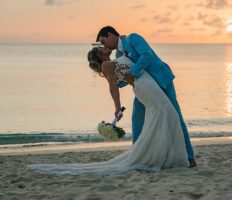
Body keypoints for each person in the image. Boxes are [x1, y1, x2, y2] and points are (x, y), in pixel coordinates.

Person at [27, 47, 189, 175]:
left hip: (145, 86)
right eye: (101, 48)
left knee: (164, 114)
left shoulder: (115, 60)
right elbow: (113, 87)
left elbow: (125, 74)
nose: (104, 47)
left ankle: (163, 155)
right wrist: (117, 108)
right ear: (100, 55)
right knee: (164, 113)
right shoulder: (106, 65)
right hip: (144, 88)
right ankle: (160, 156)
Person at [96, 26, 196, 167]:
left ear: (110, 34)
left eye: (103, 41)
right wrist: (107, 64)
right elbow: (123, 81)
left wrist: (134, 73)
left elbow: (147, 55)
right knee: (137, 119)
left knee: (176, 117)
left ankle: (189, 156)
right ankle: (138, 156)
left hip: (161, 81)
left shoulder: (132, 38)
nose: (103, 45)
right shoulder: (118, 56)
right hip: (145, 89)